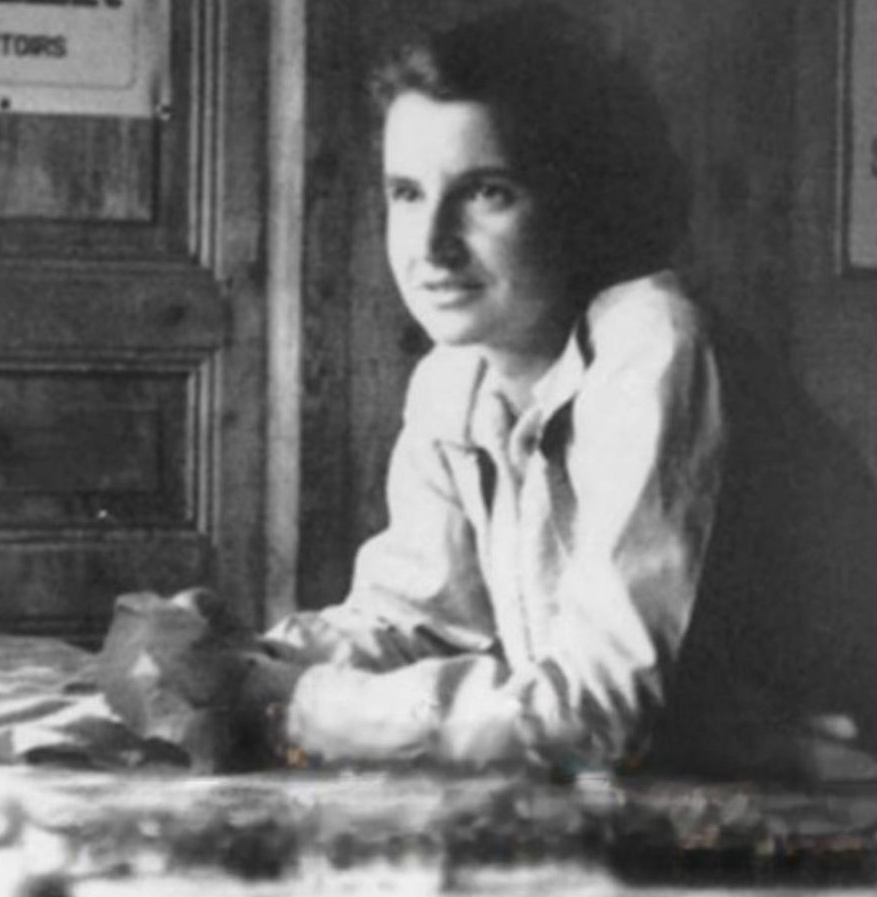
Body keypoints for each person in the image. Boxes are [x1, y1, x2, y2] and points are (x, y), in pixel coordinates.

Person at [97, 2, 728, 775]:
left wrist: (290, 697)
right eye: (406, 193)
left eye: (487, 192)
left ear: (586, 200)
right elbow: (418, 623)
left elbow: (596, 716)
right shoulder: (456, 373)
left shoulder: (653, 343)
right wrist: (239, 655)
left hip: (812, 810)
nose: (430, 245)